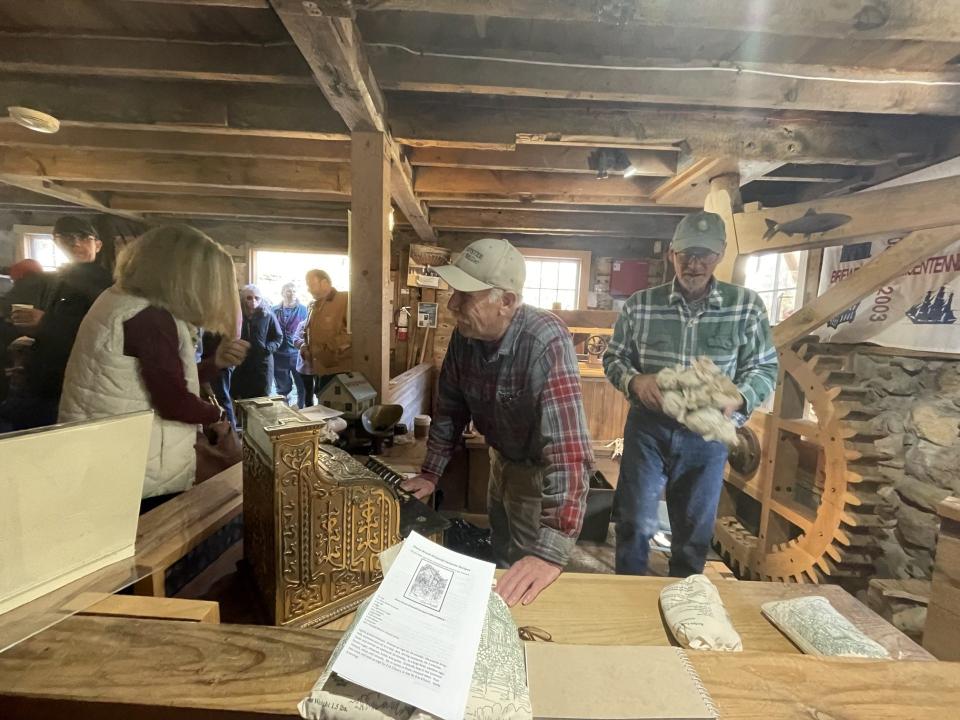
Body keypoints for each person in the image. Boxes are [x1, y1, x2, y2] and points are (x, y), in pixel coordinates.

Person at [400, 238, 593, 608]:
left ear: (506, 302)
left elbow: (568, 449)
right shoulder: (465, 336)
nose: (452, 304)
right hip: (500, 458)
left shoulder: (544, 340)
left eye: (465, 295)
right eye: (454, 292)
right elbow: (450, 409)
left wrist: (552, 548)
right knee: (501, 550)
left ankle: (521, 645)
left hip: (538, 473)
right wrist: (430, 473)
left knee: (526, 571)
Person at [603, 211, 778, 578]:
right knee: (634, 522)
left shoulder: (745, 306)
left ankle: (684, 602)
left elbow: (764, 368)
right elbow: (615, 357)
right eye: (686, 255)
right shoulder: (641, 304)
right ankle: (627, 600)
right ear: (672, 254)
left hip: (706, 434)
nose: (694, 265)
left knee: (694, 532)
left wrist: (739, 399)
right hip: (648, 429)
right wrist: (635, 381)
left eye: (704, 256)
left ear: (720, 255)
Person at [59, 224, 249, 501]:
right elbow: (172, 402)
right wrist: (218, 417)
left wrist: (214, 363)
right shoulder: (150, 318)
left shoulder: (120, 300)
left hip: (106, 454)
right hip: (136, 467)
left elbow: (155, 383)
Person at [1, 216, 113, 429]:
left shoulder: (104, 285)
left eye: (83, 237)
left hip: (72, 382)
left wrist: (45, 322)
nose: (75, 243)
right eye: (66, 238)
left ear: (98, 244)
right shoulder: (62, 279)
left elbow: (101, 332)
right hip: (47, 379)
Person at [295, 269, 350, 406]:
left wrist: (326, 349)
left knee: (336, 413)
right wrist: (305, 346)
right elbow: (308, 333)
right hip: (319, 370)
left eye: (311, 285)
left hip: (338, 371)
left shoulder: (345, 300)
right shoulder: (313, 306)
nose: (308, 289)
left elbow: (352, 334)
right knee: (322, 409)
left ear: (325, 283)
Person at [231, 284, 282, 400]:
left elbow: (278, 337)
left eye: (257, 298)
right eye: (249, 297)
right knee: (239, 396)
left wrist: (267, 349)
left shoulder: (267, 315)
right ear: (243, 299)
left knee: (262, 398)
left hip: (262, 364)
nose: (253, 301)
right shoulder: (237, 315)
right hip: (241, 363)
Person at [272, 282, 308, 406]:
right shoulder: (274, 310)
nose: (291, 293)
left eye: (294, 291)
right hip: (279, 354)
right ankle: (284, 409)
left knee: (302, 384)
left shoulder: (304, 310)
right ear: (282, 293)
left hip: (297, 354)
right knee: (282, 386)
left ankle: (302, 409)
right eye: (288, 290)